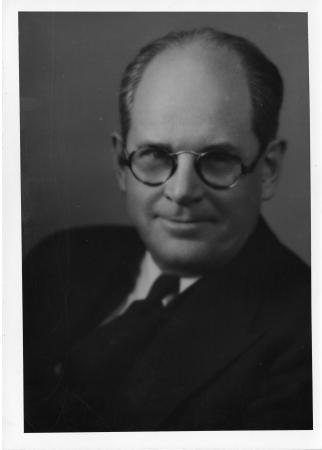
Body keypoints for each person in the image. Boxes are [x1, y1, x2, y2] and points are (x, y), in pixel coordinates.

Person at [23, 27, 312, 432]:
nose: (181, 191)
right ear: (121, 163)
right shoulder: (56, 261)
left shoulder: (305, 335)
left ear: (268, 171)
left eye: (217, 159)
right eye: (155, 155)